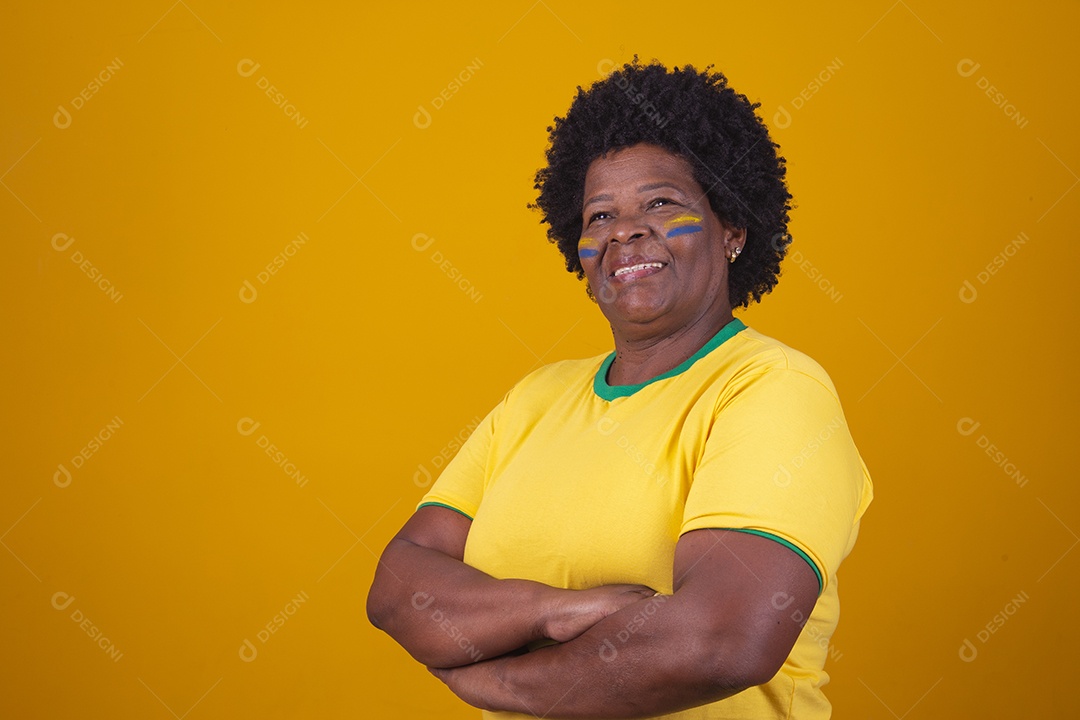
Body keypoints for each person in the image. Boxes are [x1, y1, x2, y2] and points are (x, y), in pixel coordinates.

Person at [367, 58, 873, 719]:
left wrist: (506, 685)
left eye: (662, 203)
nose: (624, 231)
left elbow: (721, 641)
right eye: (599, 215)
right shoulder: (535, 399)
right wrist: (550, 611)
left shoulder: (772, 390)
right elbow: (399, 585)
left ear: (732, 231)